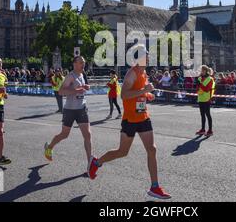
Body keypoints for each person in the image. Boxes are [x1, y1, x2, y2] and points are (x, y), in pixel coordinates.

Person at [88, 44, 171, 200]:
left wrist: (146, 96)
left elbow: (139, 92)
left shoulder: (144, 73)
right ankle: (96, 162)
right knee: (122, 152)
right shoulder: (131, 74)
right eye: (146, 55)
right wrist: (144, 91)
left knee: (152, 149)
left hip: (143, 116)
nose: (148, 58)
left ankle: (155, 187)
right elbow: (124, 95)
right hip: (130, 119)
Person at [44, 56, 92, 171]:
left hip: (81, 108)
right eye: (81, 63)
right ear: (74, 64)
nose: (83, 65)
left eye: (84, 63)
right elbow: (61, 91)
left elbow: (81, 89)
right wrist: (76, 90)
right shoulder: (70, 76)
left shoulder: (82, 75)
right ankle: (49, 147)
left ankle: (90, 164)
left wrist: (85, 87)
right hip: (70, 110)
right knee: (64, 134)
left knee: (88, 135)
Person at [196, 65, 214, 137]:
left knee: (208, 114)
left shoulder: (210, 79)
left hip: (207, 99)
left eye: (203, 70)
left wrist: (200, 85)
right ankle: (203, 129)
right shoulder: (200, 78)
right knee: (202, 115)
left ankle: (210, 130)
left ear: (206, 71)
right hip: (200, 98)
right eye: (201, 70)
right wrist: (197, 84)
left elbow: (207, 89)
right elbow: (197, 88)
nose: (202, 72)